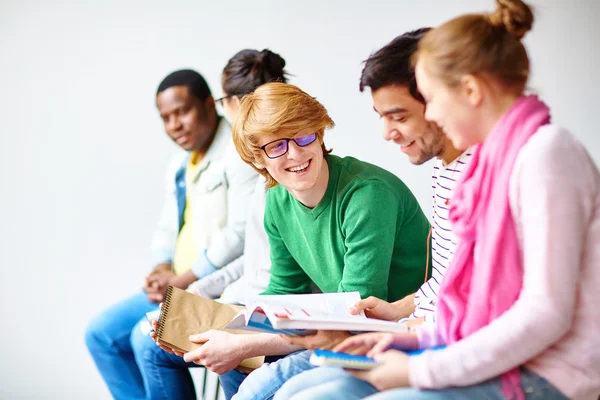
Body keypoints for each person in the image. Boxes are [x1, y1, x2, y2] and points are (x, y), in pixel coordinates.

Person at [283, 1, 600, 399]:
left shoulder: (547, 154)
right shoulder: (494, 165)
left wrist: (419, 366)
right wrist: (408, 341)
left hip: (546, 373)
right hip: (494, 356)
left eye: (430, 99)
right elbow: (472, 308)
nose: (430, 113)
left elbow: (544, 314)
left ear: (469, 91)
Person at [172, 82, 431, 400]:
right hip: (341, 333)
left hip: (396, 334)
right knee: (242, 372)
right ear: (257, 159)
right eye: (276, 146)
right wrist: (223, 334)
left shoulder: (367, 194)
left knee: (263, 386)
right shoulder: (277, 201)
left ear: (320, 134)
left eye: (304, 136)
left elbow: (354, 315)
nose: (295, 153)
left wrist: (245, 343)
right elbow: (283, 293)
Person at [274, 28, 472, 399]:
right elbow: (449, 283)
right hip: (421, 333)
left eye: (397, 116)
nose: (386, 133)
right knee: (289, 392)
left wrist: (411, 341)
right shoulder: (442, 169)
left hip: (443, 347)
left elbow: (482, 308)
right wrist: (397, 313)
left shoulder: (484, 174)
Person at [84, 69, 258, 400]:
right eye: (165, 117)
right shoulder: (179, 164)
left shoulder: (237, 152)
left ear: (210, 104)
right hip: (175, 286)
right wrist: (162, 266)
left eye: (182, 111)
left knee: (144, 337)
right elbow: (166, 227)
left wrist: (184, 278)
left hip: (212, 287)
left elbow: (240, 235)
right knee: (101, 335)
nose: (174, 125)